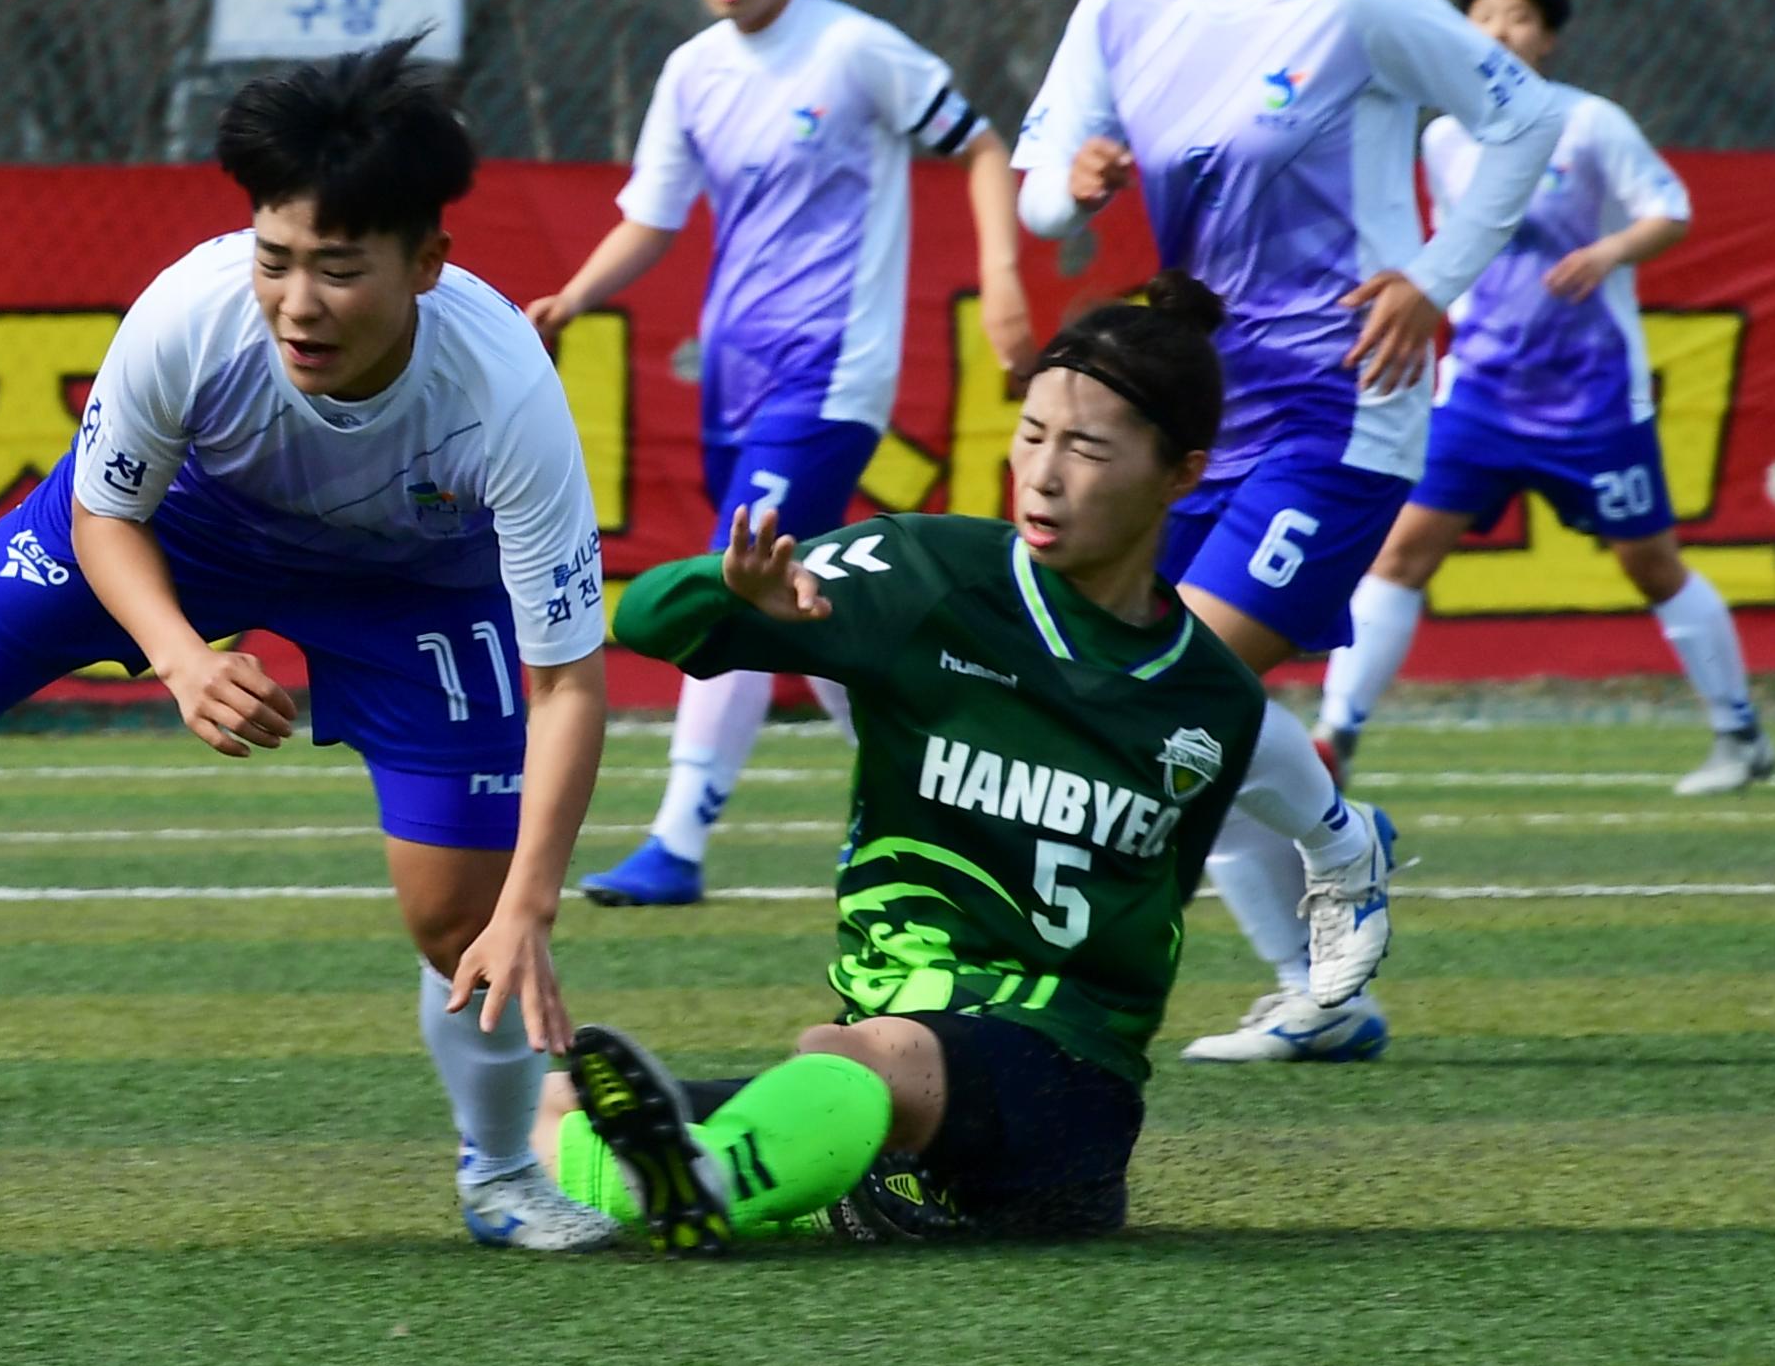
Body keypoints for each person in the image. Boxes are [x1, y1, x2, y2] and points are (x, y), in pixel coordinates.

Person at [0, 40, 624, 1252]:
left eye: (339, 267)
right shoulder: (191, 313)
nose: (298, 301)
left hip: (410, 586)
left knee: (461, 922)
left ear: (429, 261)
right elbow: (107, 512)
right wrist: (183, 656)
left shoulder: (505, 394)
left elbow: (572, 679)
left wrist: (531, 902)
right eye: (276, 257)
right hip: (177, 531)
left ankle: (498, 1175)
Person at [534, 275, 1393, 1249]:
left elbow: (1180, 906)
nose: (1043, 472)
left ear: (1182, 472)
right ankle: (712, 1179)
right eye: (1030, 434)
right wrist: (727, 588)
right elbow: (643, 620)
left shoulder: (1212, 698)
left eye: (1086, 446)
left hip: (1064, 1089)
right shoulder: (925, 574)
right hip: (885, 1066)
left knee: (866, 1054)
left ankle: (721, 1178)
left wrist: (1339, 865)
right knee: (559, 1099)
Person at [1011, 0, 1553, 1066]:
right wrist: (1065, 187)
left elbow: (1522, 119)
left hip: (1340, 413)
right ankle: (1322, 994)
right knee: (1174, 690)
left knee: (1173, 677)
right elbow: (1035, 185)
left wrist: (1435, 278)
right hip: (1189, 423)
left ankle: (1333, 843)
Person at [525, 0, 1030, 910]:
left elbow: (981, 145)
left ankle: (677, 838)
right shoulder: (692, 70)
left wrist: (1000, 275)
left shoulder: (853, 51)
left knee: (735, 581)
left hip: (831, 370)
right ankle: (924, 804)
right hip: (734, 378)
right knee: (811, 595)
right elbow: (651, 217)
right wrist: (571, 297)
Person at [1315, 0, 1772, 795]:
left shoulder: (1591, 123)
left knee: (1651, 564)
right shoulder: (1444, 136)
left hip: (1592, 398)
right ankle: (1335, 738)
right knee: (1402, 553)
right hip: (1481, 392)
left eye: (1519, 17)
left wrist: (1605, 252)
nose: (1498, 30)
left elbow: (1668, 209)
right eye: (1482, 15)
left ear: (1548, 37)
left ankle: (1741, 736)